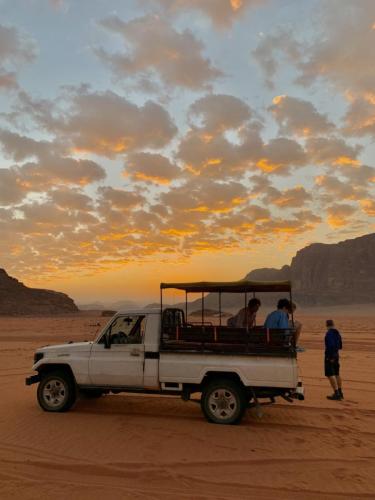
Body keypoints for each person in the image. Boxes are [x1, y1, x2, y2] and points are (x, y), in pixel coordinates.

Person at [325, 319, 343, 400]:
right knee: (336, 373)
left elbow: (330, 345)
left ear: (327, 325)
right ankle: (340, 392)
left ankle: (336, 393)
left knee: (330, 374)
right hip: (336, 355)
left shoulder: (329, 333)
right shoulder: (337, 332)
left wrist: (330, 357)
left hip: (330, 355)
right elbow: (340, 346)